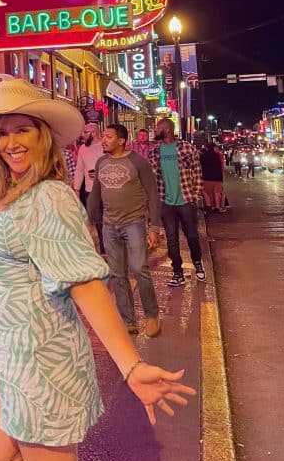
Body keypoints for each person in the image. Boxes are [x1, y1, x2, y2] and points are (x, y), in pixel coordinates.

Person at [0, 21, 194, 461]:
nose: (11, 140)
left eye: (24, 130)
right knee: (3, 454)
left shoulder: (48, 198)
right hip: (19, 363)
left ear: (44, 136)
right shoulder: (7, 186)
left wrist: (131, 365)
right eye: (4, 132)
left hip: (42, 367)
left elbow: (88, 284)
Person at [88, 124, 162, 338]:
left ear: (121, 141)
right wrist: (88, 220)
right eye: (104, 136)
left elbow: (153, 195)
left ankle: (152, 315)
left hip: (134, 223)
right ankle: (128, 320)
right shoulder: (101, 162)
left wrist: (154, 227)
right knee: (117, 274)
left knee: (139, 269)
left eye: (108, 137)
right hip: (109, 224)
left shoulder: (138, 163)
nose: (103, 140)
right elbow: (95, 194)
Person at [148, 117, 205, 287]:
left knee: (192, 236)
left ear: (166, 129)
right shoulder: (154, 152)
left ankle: (197, 262)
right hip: (166, 202)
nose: (155, 131)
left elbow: (197, 172)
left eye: (157, 128)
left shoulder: (187, 148)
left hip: (186, 200)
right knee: (172, 239)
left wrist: (195, 197)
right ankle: (177, 272)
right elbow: (152, 178)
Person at [73, 123, 103, 250]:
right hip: (90, 191)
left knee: (108, 221)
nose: (83, 135)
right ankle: (103, 249)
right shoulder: (82, 149)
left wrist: (100, 173)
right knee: (97, 221)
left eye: (85, 132)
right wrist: (76, 189)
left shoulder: (104, 146)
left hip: (107, 190)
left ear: (93, 133)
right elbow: (79, 170)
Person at [200, 142, 226, 213]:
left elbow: (201, 166)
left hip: (206, 177)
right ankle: (218, 207)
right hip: (217, 177)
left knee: (206, 192)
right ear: (214, 147)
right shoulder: (218, 155)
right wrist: (222, 176)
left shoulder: (203, 155)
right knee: (217, 192)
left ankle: (209, 206)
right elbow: (222, 166)